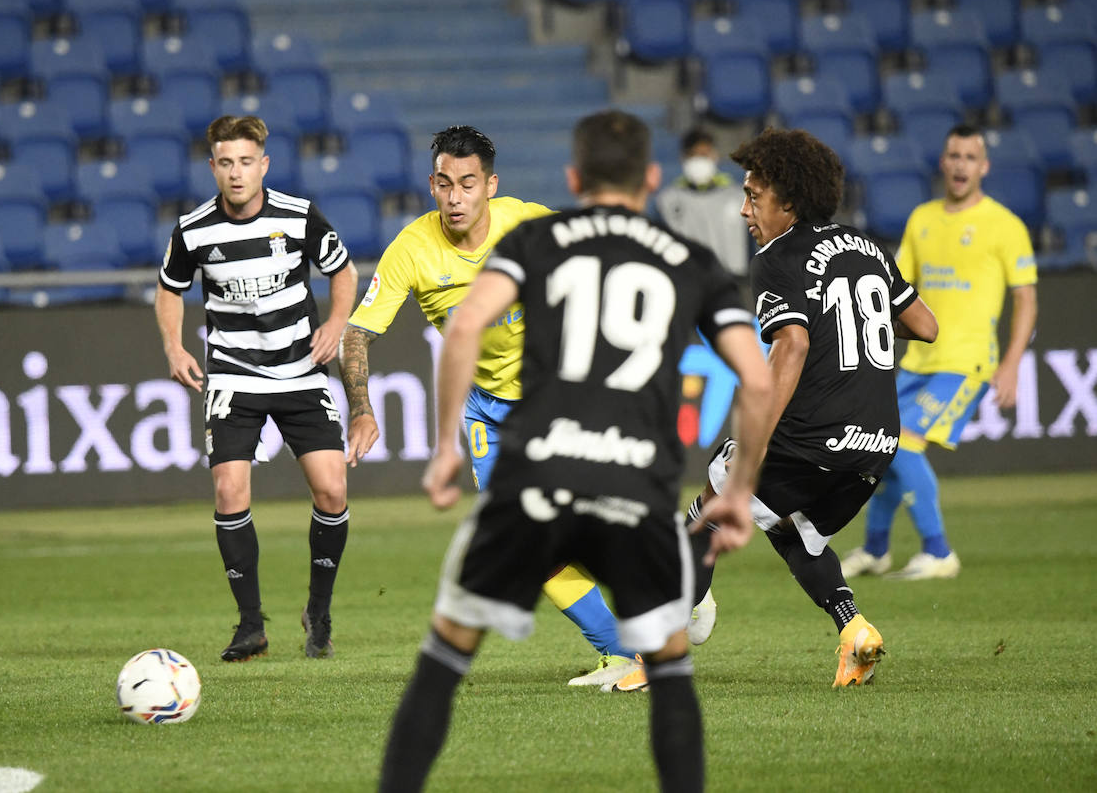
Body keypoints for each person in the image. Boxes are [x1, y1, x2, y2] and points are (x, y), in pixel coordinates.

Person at [379, 110, 776, 793]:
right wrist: (738, 491)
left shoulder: (535, 240)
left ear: (572, 178)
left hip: (537, 474)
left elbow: (466, 326)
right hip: (633, 484)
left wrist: (445, 446)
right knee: (670, 677)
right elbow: (758, 379)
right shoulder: (689, 260)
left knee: (442, 664)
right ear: (651, 179)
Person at [340, 125, 644, 689]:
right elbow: (357, 333)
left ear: (490, 185)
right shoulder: (412, 248)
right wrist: (361, 407)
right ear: (432, 184)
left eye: (468, 184)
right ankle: (624, 653)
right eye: (445, 184)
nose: (455, 197)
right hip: (486, 408)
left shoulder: (526, 223)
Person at [683, 128, 939, 688]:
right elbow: (925, 325)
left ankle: (653, 654)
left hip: (814, 435)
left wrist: (755, 444)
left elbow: (792, 346)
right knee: (793, 528)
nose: (745, 210)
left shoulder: (777, 256)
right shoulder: (868, 247)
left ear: (789, 201)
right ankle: (854, 630)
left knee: (708, 506)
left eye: (754, 196)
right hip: (877, 443)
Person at [156, 115, 356, 662]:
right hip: (233, 375)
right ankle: (250, 626)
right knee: (229, 492)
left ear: (263, 165)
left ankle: (318, 611)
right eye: (226, 163)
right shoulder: (193, 229)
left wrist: (336, 323)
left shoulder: (298, 216)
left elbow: (343, 271)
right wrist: (174, 346)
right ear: (213, 167)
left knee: (332, 491)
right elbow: (169, 288)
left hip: (299, 370)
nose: (237, 172)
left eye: (246, 162)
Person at [842, 124, 1038, 581]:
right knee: (882, 450)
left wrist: (1012, 363)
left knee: (904, 445)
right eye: (954, 155)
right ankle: (875, 549)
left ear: (983, 167)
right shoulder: (922, 219)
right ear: (943, 162)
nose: (960, 164)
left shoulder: (1005, 225)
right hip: (917, 361)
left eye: (970, 157)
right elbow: (898, 288)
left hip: (967, 362)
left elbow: (1026, 298)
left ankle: (938, 551)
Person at [655, 127, 749, 276]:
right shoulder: (667, 200)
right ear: (683, 158)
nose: (699, 160)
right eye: (693, 155)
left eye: (704, 154)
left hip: (733, 279)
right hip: (688, 279)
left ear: (715, 155)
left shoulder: (739, 197)